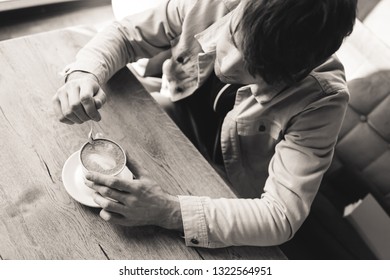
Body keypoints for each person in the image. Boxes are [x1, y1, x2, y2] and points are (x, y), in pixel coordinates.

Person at [53, 0, 357, 248]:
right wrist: (84, 75)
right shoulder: (210, 5)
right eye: (234, 37)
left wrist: (168, 211)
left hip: (226, 190)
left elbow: (280, 217)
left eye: (258, 68)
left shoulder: (323, 98)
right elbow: (125, 33)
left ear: (299, 70)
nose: (226, 65)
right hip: (171, 125)